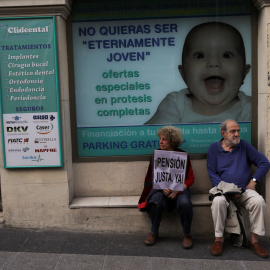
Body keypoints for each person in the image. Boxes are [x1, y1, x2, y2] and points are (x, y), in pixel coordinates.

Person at [145, 22, 251, 124]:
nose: (214, 62)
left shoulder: (251, 108)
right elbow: (154, 138)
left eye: (227, 55)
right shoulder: (175, 104)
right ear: (183, 74)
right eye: (200, 55)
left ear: (244, 72)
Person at [207, 119, 270, 258]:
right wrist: (228, 190)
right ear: (223, 133)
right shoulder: (213, 149)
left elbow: (264, 162)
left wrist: (254, 181)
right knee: (218, 202)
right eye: (233, 131)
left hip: (243, 190)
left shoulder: (244, 146)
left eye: (238, 131)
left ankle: (254, 240)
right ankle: (219, 239)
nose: (237, 134)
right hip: (222, 191)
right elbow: (212, 174)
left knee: (258, 201)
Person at [138, 126, 195, 248]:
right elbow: (151, 177)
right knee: (156, 201)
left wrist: (178, 189)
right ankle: (154, 232)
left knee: (185, 203)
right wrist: (161, 187)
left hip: (180, 189)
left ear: (172, 141)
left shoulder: (183, 155)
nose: (160, 141)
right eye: (160, 139)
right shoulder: (156, 155)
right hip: (161, 189)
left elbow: (190, 179)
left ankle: (187, 234)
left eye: (164, 139)